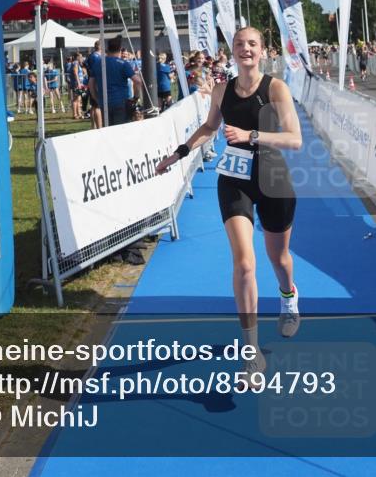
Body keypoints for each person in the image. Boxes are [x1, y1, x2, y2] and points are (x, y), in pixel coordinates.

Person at [156, 26, 302, 380]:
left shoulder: (276, 87)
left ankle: (288, 296)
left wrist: (252, 135)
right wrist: (179, 153)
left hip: (273, 180)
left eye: (252, 44)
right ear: (232, 51)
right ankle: (251, 352)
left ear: (262, 51)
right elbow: (209, 127)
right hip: (235, 180)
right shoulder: (222, 90)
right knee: (245, 264)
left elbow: (294, 139)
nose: (245, 49)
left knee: (279, 259)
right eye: (240, 44)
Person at [90, 37, 141, 126]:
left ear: (108, 48)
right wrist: (136, 97)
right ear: (120, 49)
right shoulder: (123, 64)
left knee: (108, 129)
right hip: (120, 102)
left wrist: (96, 98)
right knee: (120, 130)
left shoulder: (98, 63)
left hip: (104, 102)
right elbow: (138, 81)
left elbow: (91, 84)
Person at [83, 41, 103, 128]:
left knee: (93, 106)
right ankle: (99, 127)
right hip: (96, 82)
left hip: (91, 81)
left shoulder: (90, 56)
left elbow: (84, 65)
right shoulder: (97, 57)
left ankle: (93, 126)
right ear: (100, 46)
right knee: (97, 105)